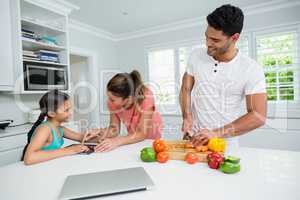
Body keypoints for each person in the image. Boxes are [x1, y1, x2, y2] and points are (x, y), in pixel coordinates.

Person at [179, 4, 267, 147]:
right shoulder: (196, 56)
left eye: (215, 40)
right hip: (192, 138)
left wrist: (216, 133)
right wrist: (187, 116)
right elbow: (185, 89)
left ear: (234, 37)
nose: (207, 44)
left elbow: (258, 116)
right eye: (207, 37)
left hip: (224, 144)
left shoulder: (251, 69)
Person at [87, 70, 163, 152]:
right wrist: (101, 132)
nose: (109, 101)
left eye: (112, 99)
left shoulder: (146, 97)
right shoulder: (112, 103)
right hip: (134, 136)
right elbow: (114, 129)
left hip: (151, 137)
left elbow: (142, 133)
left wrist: (117, 141)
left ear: (129, 98)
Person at [23, 90, 96, 165]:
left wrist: (97, 135)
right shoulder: (45, 129)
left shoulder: (60, 128)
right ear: (52, 113)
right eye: (66, 110)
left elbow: (82, 138)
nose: (70, 113)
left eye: (70, 109)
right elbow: (29, 158)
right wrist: (70, 150)